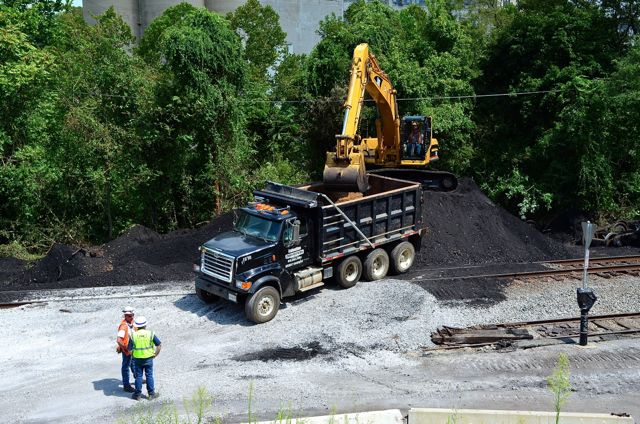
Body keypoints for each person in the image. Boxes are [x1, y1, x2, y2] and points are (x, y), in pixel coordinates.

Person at [128, 316, 162, 400]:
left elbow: (129, 349)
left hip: (137, 359)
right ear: (145, 325)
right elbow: (159, 345)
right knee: (149, 375)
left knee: (138, 376)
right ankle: (151, 394)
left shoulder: (133, 335)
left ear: (136, 326)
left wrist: (134, 355)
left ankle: (137, 395)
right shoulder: (150, 334)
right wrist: (155, 354)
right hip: (148, 358)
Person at [116, 306, 136, 393]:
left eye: (132, 315)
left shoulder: (132, 323)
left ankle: (137, 378)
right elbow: (119, 340)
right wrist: (125, 348)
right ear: (125, 316)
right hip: (127, 349)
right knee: (125, 366)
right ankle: (126, 385)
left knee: (133, 363)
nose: (131, 317)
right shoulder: (123, 326)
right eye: (129, 316)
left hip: (133, 347)